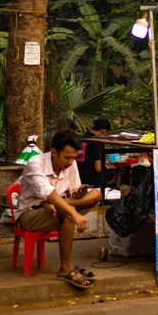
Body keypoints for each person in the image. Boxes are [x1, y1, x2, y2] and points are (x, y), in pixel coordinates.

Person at [15, 130, 102, 289]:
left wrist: (78, 194)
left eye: (74, 157)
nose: (71, 161)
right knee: (67, 214)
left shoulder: (72, 164)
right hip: (29, 215)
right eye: (67, 157)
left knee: (95, 194)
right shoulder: (35, 163)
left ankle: (59, 206)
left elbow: (74, 191)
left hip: (57, 208)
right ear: (54, 152)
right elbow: (48, 193)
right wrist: (73, 212)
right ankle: (65, 268)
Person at [79, 118, 112, 187]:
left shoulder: (80, 139)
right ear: (104, 131)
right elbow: (98, 168)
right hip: (91, 180)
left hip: (78, 178)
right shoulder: (97, 142)